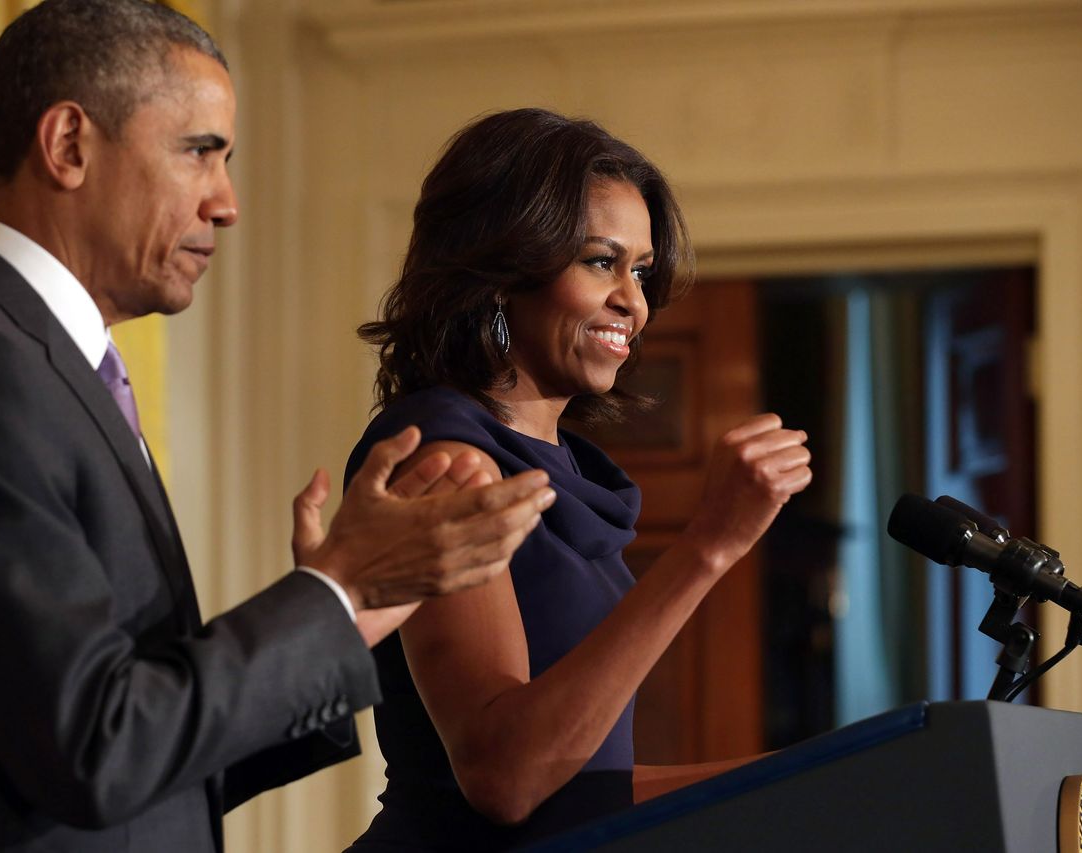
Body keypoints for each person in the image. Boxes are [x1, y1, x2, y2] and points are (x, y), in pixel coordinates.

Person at [0, 4, 556, 852]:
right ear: (68, 146)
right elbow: (96, 748)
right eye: (200, 152)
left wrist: (364, 606)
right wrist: (334, 594)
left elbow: (140, 756)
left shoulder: (52, 368)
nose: (228, 204)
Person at [343, 108, 814, 850]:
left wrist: (814, 777)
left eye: (642, 270)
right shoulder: (444, 461)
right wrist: (707, 546)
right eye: (602, 261)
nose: (635, 299)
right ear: (503, 272)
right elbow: (505, 776)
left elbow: (578, 784)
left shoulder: (565, 471)